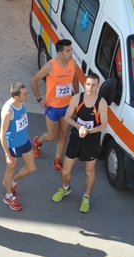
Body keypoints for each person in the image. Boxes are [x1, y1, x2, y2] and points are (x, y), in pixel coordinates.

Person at [51, 73, 108, 213]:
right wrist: (80, 127)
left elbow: (104, 126)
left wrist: (89, 131)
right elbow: (67, 117)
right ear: (85, 84)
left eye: (93, 85)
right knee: (65, 171)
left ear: (98, 86)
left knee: (89, 171)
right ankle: (65, 188)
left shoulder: (101, 103)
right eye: (88, 84)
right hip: (76, 138)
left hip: (92, 140)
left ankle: (86, 196)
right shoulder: (77, 98)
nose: (90, 87)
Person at [31, 39, 78, 172]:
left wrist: (76, 99)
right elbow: (34, 80)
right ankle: (38, 141)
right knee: (52, 136)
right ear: (60, 53)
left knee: (63, 134)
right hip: (53, 107)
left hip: (67, 106)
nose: (71, 53)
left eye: (71, 50)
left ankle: (57, 160)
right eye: (68, 51)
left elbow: (75, 79)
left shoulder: (72, 64)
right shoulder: (50, 66)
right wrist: (39, 99)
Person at [0, 82, 36, 211]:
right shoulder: (8, 111)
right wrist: (7, 154)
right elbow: (2, 134)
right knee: (10, 169)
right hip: (13, 145)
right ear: (16, 97)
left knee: (31, 168)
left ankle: (11, 183)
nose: (27, 95)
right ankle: (8, 196)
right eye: (25, 94)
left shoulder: (22, 103)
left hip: (25, 141)